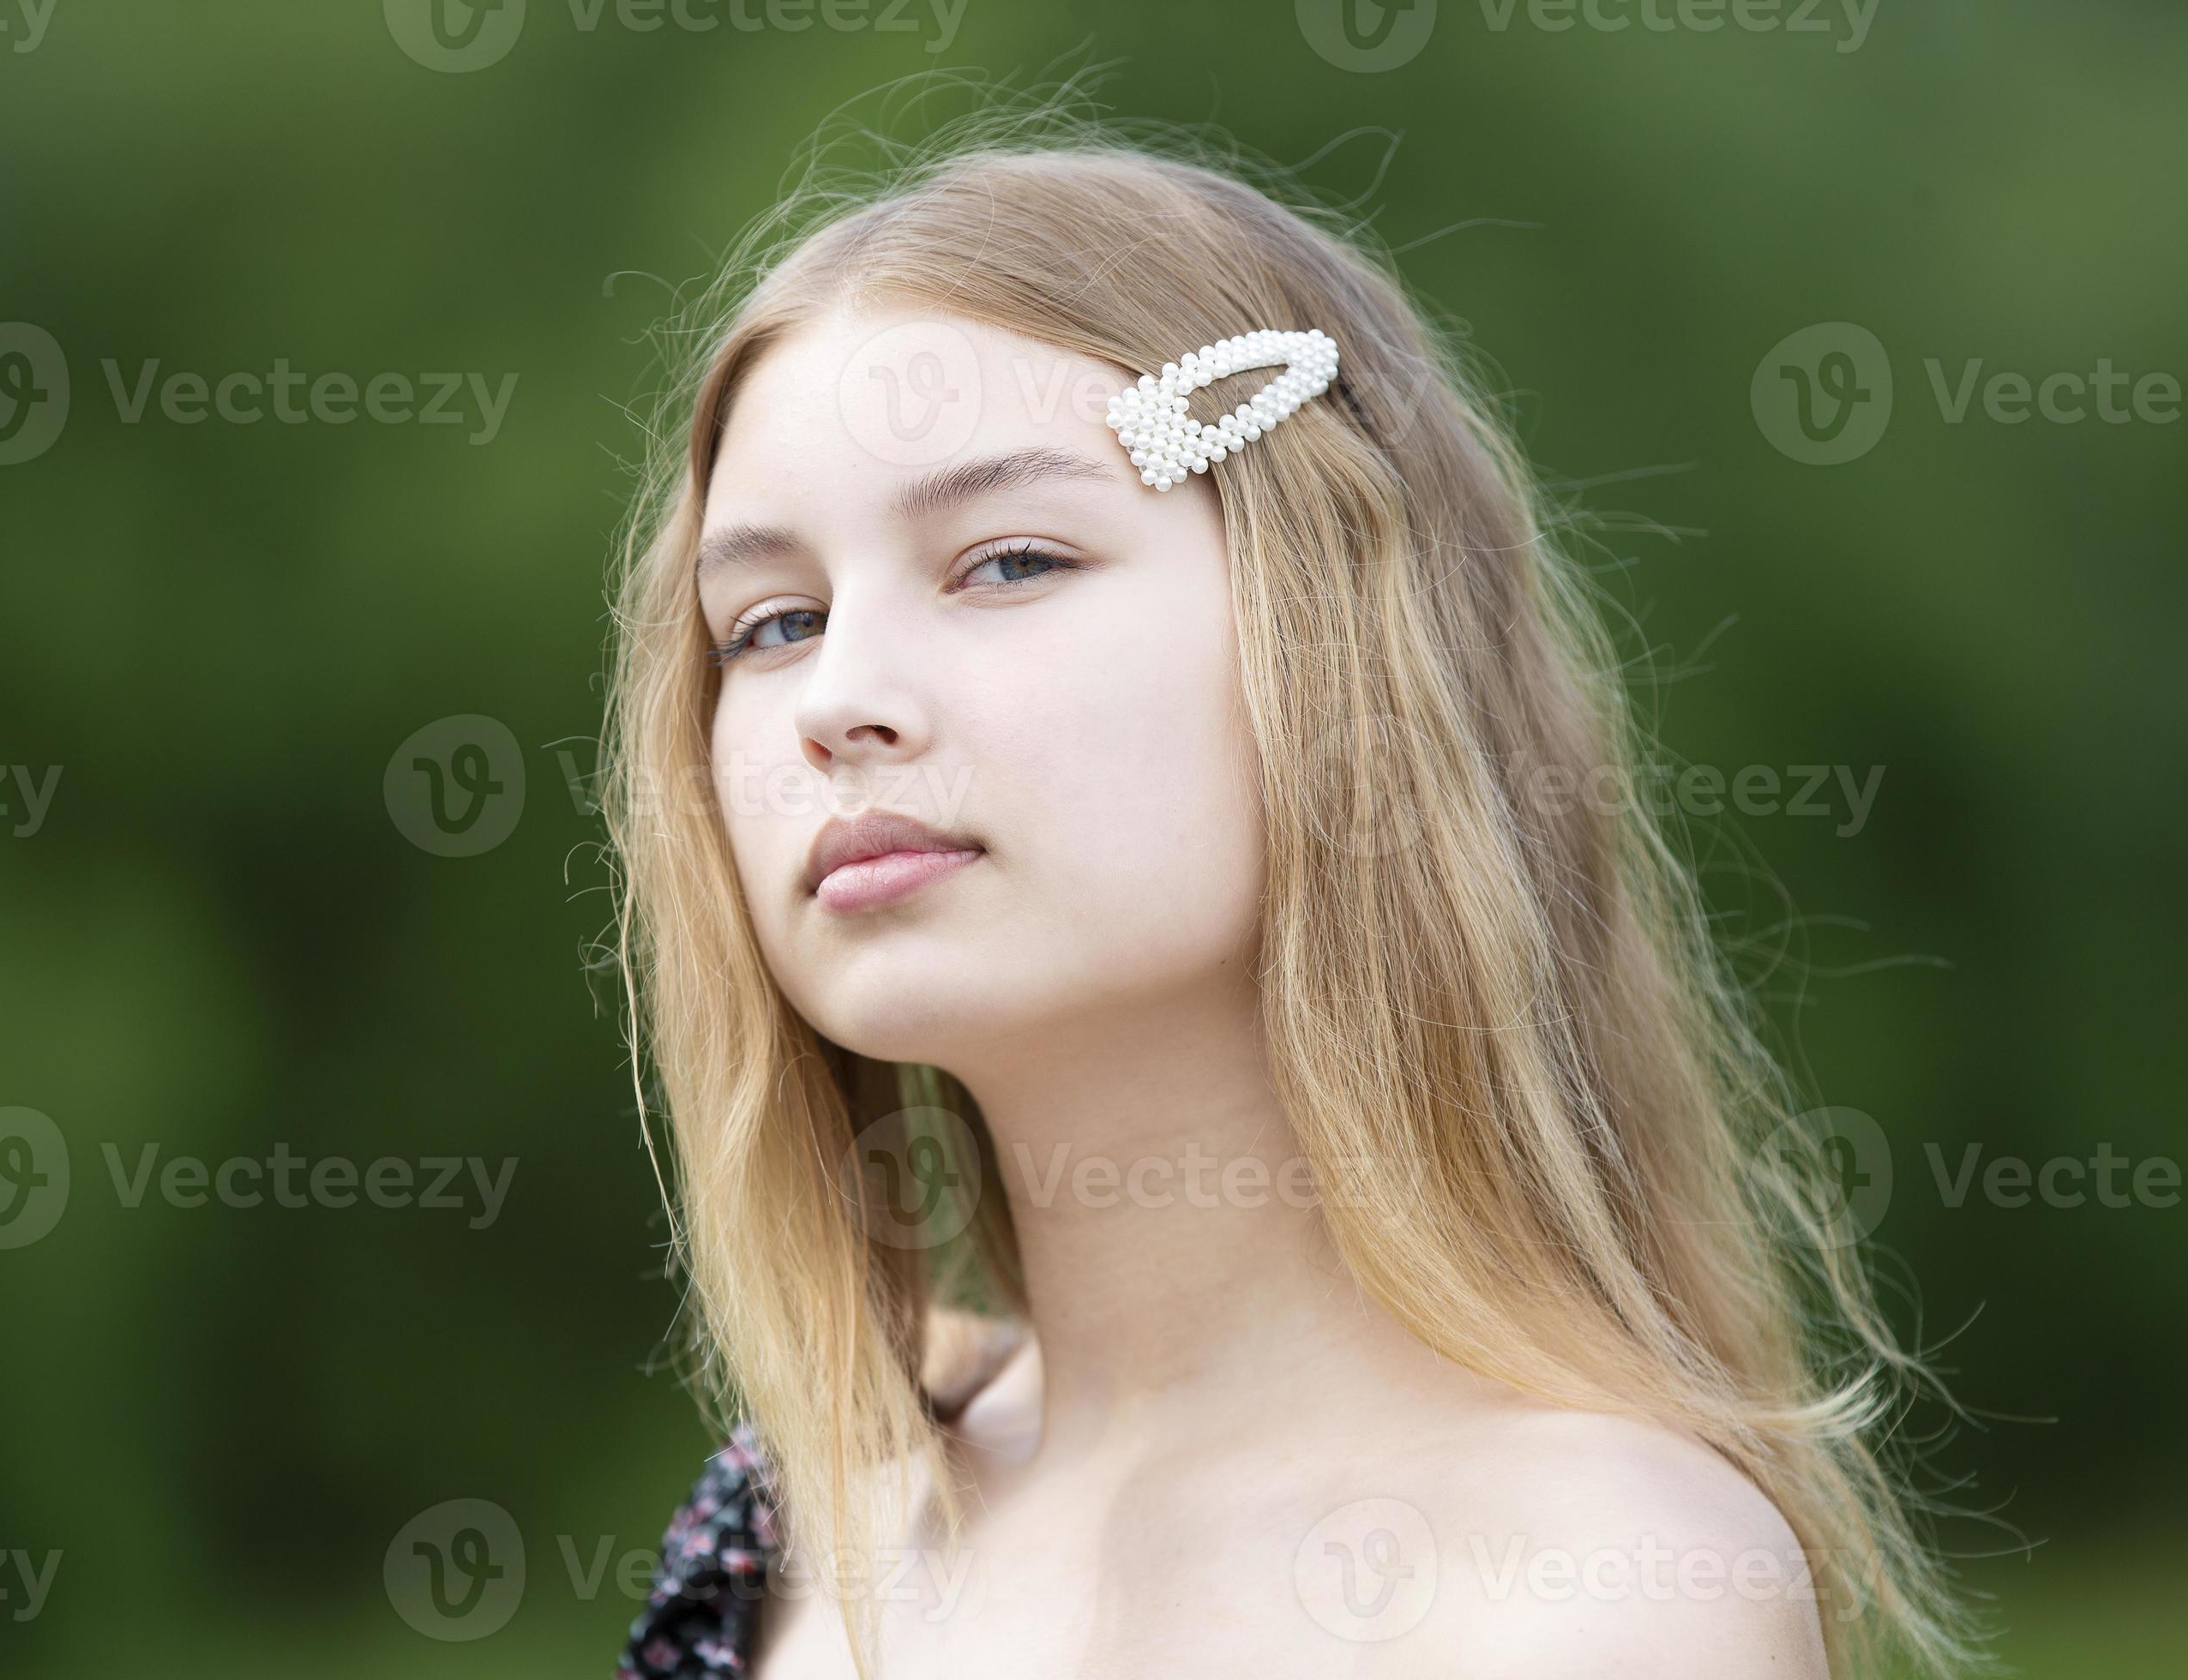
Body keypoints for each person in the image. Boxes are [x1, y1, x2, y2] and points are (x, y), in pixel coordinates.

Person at [599, 111, 1975, 1680]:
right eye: (770, 621)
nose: (839, 697)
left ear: (1335, 633)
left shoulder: (1590, 1587)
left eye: (1009, 562)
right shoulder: (791, 1525)